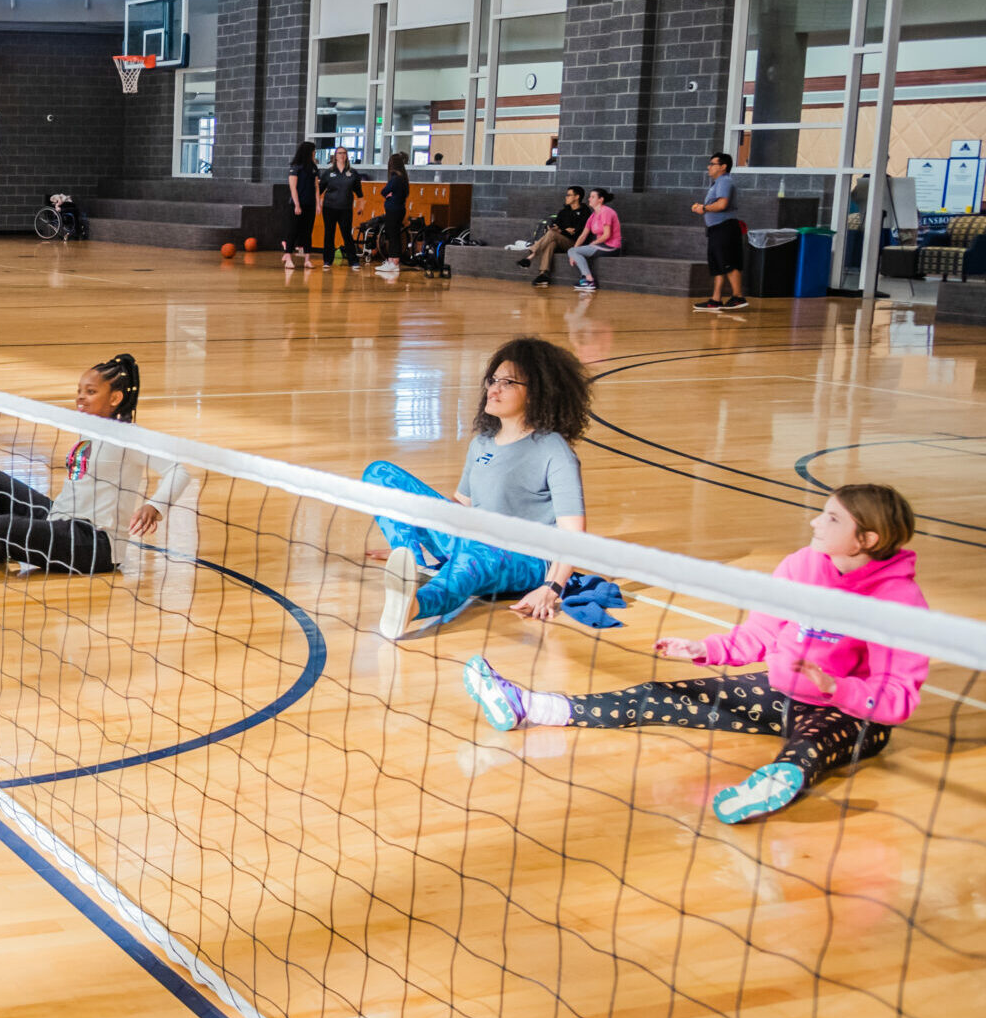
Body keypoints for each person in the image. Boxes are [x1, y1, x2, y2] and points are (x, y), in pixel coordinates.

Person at [463, 485, 929, 825]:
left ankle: (765, 790)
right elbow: (760, 635)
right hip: (782, 692)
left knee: (810, 748)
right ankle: (532, 706)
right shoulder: (801, 565)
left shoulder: (898, 602)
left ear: (866, 539)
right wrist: (702, 650)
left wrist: (837, 687)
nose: (814, 522)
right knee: (658, 694)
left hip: (854, 714)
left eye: (831, 519)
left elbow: (899, 698)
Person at [361, 336, 592, 641]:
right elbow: (461, 506)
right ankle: (411, 560)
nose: (493, 388)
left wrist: (551, 588)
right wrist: (412, 528)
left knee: (473, 556)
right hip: (474, 536)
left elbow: (572, 534)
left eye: (508, 383)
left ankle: (413, 605)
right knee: (379, 474)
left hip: (527, 559)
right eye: (493, 379)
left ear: (537, 393)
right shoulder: (482, 442)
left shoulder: (553, 450)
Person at [0, 353, 187, 577]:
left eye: (91, 392)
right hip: (61, 519)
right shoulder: (90, 429)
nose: (81, 397)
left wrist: (154, 505)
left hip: (94, 544)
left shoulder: (130, 437)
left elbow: (180, 471)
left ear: (116, 398)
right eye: (81, 389)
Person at [694, 151, 747, 311]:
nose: (709, 167)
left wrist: (703, 208)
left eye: (712, 164)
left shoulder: (725, 182)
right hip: (716, 229)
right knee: (718, 265)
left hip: (725, 228)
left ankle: (738, 297)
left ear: (723, 167)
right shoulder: (717, 183)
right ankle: (716, 299)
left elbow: (722, 205)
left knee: (729, 262)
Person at [518, 186, 590, 286]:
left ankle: (531, 255)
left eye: (569, 195)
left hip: (576, 244)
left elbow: (575, 232)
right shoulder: (563, 212)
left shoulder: (585, 212)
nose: (566, 197)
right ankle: (544, 275)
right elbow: (555, 226)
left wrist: (561, 230)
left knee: (552, 235)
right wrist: (560, 229)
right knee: (551, 243)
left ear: (577, 197)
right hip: (560, 241)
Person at [568, 187, 621, 292]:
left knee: (573, 250)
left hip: (611, 247)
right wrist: (572, 254)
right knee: (572, 250)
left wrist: (594, 243)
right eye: (589, 197)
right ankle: (586, 279)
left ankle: (589, 280)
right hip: (600, 245)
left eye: (592, 197)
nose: (589, 199)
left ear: (600, 200)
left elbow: (607, 235)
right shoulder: (592, 216)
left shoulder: (606, 212)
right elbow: (583, 236)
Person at [319, 147, 365, 267]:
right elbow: (319, 190)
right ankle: (327, 260)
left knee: (346, 234)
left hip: (345, 208)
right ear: (335, 156)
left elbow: (359, 193)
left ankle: (353, 261)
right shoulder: (328, 173)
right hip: (329, 208)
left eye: (344, 153)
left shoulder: (353, 173)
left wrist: (361, 206)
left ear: (347, 156)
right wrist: (318, 203)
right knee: (329, 233)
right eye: (340, 153)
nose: (342, 155)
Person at [282, 140, 318, 271]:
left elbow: (316, 187)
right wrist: (297, 205)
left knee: (308, 232)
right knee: (293, 231)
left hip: (310, 204)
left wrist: (318, 204)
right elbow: (293, 188)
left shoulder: (313, 168)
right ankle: (288, 257)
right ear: (308, 152)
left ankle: (307, 260)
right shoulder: (296, 167)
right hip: (297, 204)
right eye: (313, 150)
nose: (315, 153)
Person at [374, 151, 411, 275]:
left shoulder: (396, 178)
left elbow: (384, 191)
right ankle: (391, 261)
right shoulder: (403, 178)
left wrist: (389, 194)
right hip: (398, 209)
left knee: (393, 236)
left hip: (394, 210)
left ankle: (394, 262)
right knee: (393, 235)